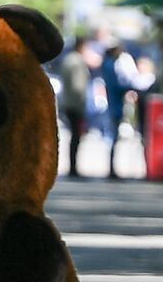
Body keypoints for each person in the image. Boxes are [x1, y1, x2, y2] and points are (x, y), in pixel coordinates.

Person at [100, 42, 137, 179]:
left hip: (114, 103)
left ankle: (112, 167)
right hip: (114, 104)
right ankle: (111, 168)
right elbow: (115, 85)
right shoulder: (109, 65)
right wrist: (129, 87)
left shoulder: (108, 64)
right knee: (113, 137)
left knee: (114, 137)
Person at [57, 37, 92, 178]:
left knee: (74, 135)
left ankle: (72, 165)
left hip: (68, 101)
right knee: (76, 136)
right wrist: (82, 103)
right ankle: (73, 167)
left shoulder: (68, 59)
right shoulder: (77, 62)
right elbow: (78, 86)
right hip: (75, 104)